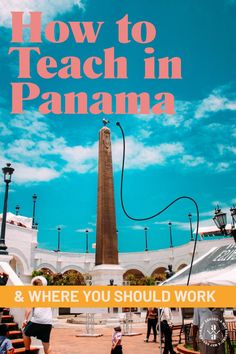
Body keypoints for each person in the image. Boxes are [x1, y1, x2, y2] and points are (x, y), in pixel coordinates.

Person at [22, 276, 52, 354]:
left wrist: (25, 319)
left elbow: (28, 308)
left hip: (37, 320)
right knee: (46, 343)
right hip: (48, 322)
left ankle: (27, 351)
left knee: (25, 333)